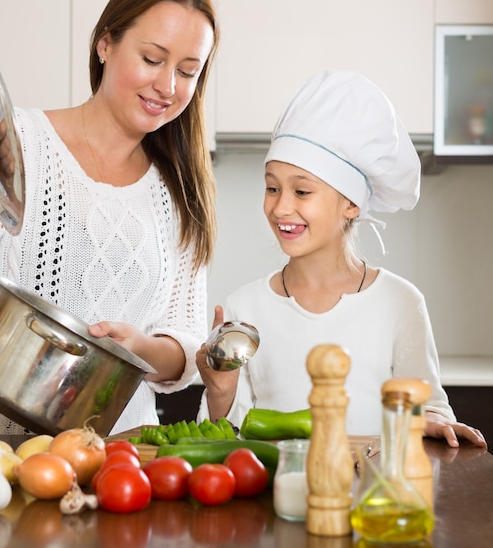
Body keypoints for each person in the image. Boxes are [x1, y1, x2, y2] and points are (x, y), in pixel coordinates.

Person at [0, 0, 219, 436]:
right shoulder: (15, 144)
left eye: (188, 71)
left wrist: (141, 350)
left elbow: (186, 355)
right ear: (105, 44)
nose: (168, 87)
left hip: (118, 467)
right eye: (152, 59)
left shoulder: (182, 192)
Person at [197, 70, 487, 449]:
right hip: (282, 498)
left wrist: (430, 418)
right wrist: (220, 391)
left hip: (374, 496)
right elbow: (225, 438)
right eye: (272, 187)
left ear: (351, 203)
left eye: (302, 190)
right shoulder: (244, 309)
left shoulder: (400, 303)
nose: (281, 207)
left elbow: (430, 411)